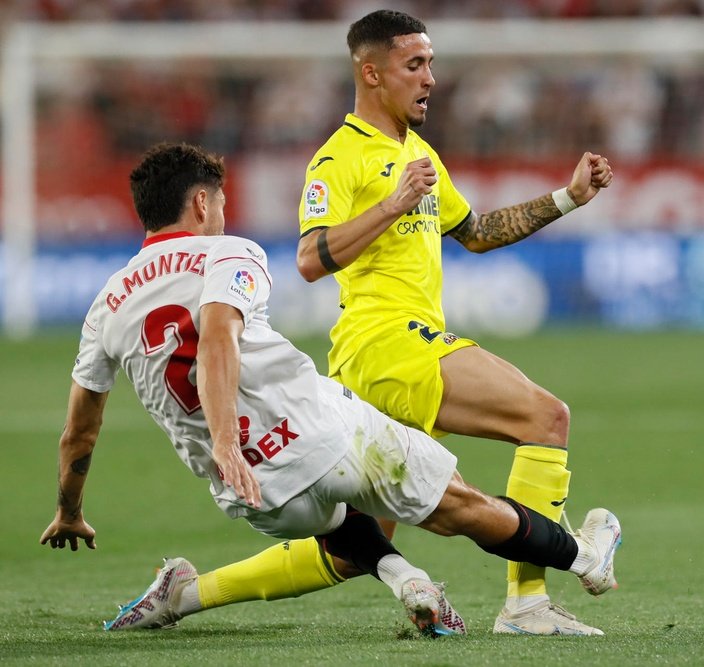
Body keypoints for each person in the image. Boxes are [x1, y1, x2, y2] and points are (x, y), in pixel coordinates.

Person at [39, 142, 622, 637]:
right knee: (463, 502)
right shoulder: (233, 250)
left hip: (254, 490)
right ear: (200, 202)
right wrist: (223, 438)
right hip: (327, 419)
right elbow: (221, 333)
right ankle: (577, 566)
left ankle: (199, 593)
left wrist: (69, 511)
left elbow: (79, 430)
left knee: (345, 541)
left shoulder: (107, 303)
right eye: (217, 201)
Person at [232, 8, 613, 637]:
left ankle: (186, 594)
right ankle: (527, 604)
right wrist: (393, 203)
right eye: (416, 64)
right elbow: (308, 258)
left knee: (354, 550)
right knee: (545, 417)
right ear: (372, 72)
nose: (430, 77)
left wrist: (568, 197)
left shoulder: (418, 152)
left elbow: (478, 232)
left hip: (384, 360)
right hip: (387, 344)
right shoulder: (339, 158)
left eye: (431, 63)